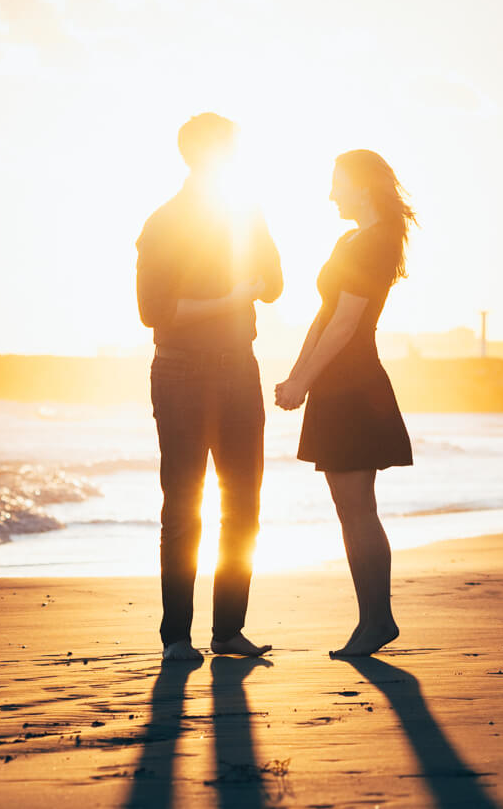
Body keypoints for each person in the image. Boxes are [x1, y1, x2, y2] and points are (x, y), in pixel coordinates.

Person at [136, 113, 283, 662]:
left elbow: (274, 284)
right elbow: (155, 311)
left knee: (244, 504)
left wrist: (240, 279)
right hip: (179, 372)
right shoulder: (163, 223)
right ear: (199, 153)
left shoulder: (245, 210)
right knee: (183, 505)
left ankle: (227, 631)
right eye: (230, 147)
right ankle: (177, 637)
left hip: (240, 369)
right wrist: (228, 297)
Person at [275, 149, 414, 658]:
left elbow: (346, 325)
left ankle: (377, 621)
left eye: (336, 183)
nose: (330, 194)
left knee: (358, 509)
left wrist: (303, 383)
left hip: (355, 386)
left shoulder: (377, 242)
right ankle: (373, 620)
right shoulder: (350, 239)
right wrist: (297, 376)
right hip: (334, 387)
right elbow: (323, 314)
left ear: (360, 185)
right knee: (349, 507)